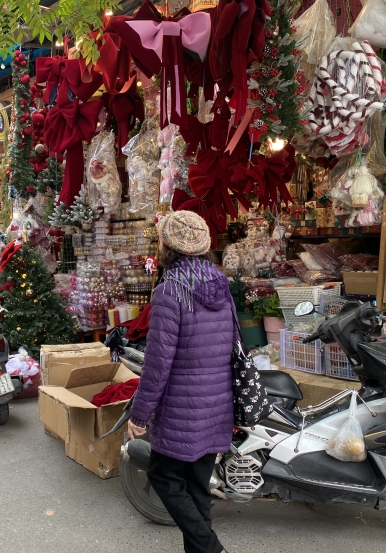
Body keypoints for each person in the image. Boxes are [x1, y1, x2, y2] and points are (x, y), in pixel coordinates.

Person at [127, 211, 234, 553]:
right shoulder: (221, 285)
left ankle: (211, 548)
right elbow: (235, 347)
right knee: (197, 486)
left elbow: (157, 364)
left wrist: (139, 414)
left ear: (166, 247)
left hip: (181, 408)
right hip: (217, 402)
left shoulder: (169, 292)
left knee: (163, 475)